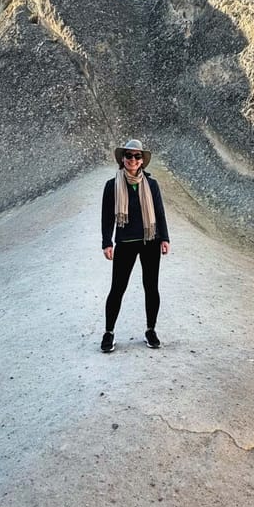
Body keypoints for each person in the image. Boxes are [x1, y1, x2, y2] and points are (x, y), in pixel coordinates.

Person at [100, 138, 171, 352]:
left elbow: (159, 212)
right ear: (122, 159)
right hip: (125, 242)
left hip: (150, 241)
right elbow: (107, 216)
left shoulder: (151, 184)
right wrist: (107, 242)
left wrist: (165, 238)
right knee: (117, 288)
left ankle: (151, 330)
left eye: (137, 156)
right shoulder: (112, 185)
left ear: (142, 160)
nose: (133, 159)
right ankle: (109, 333)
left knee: (151, 287)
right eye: (129, 155)